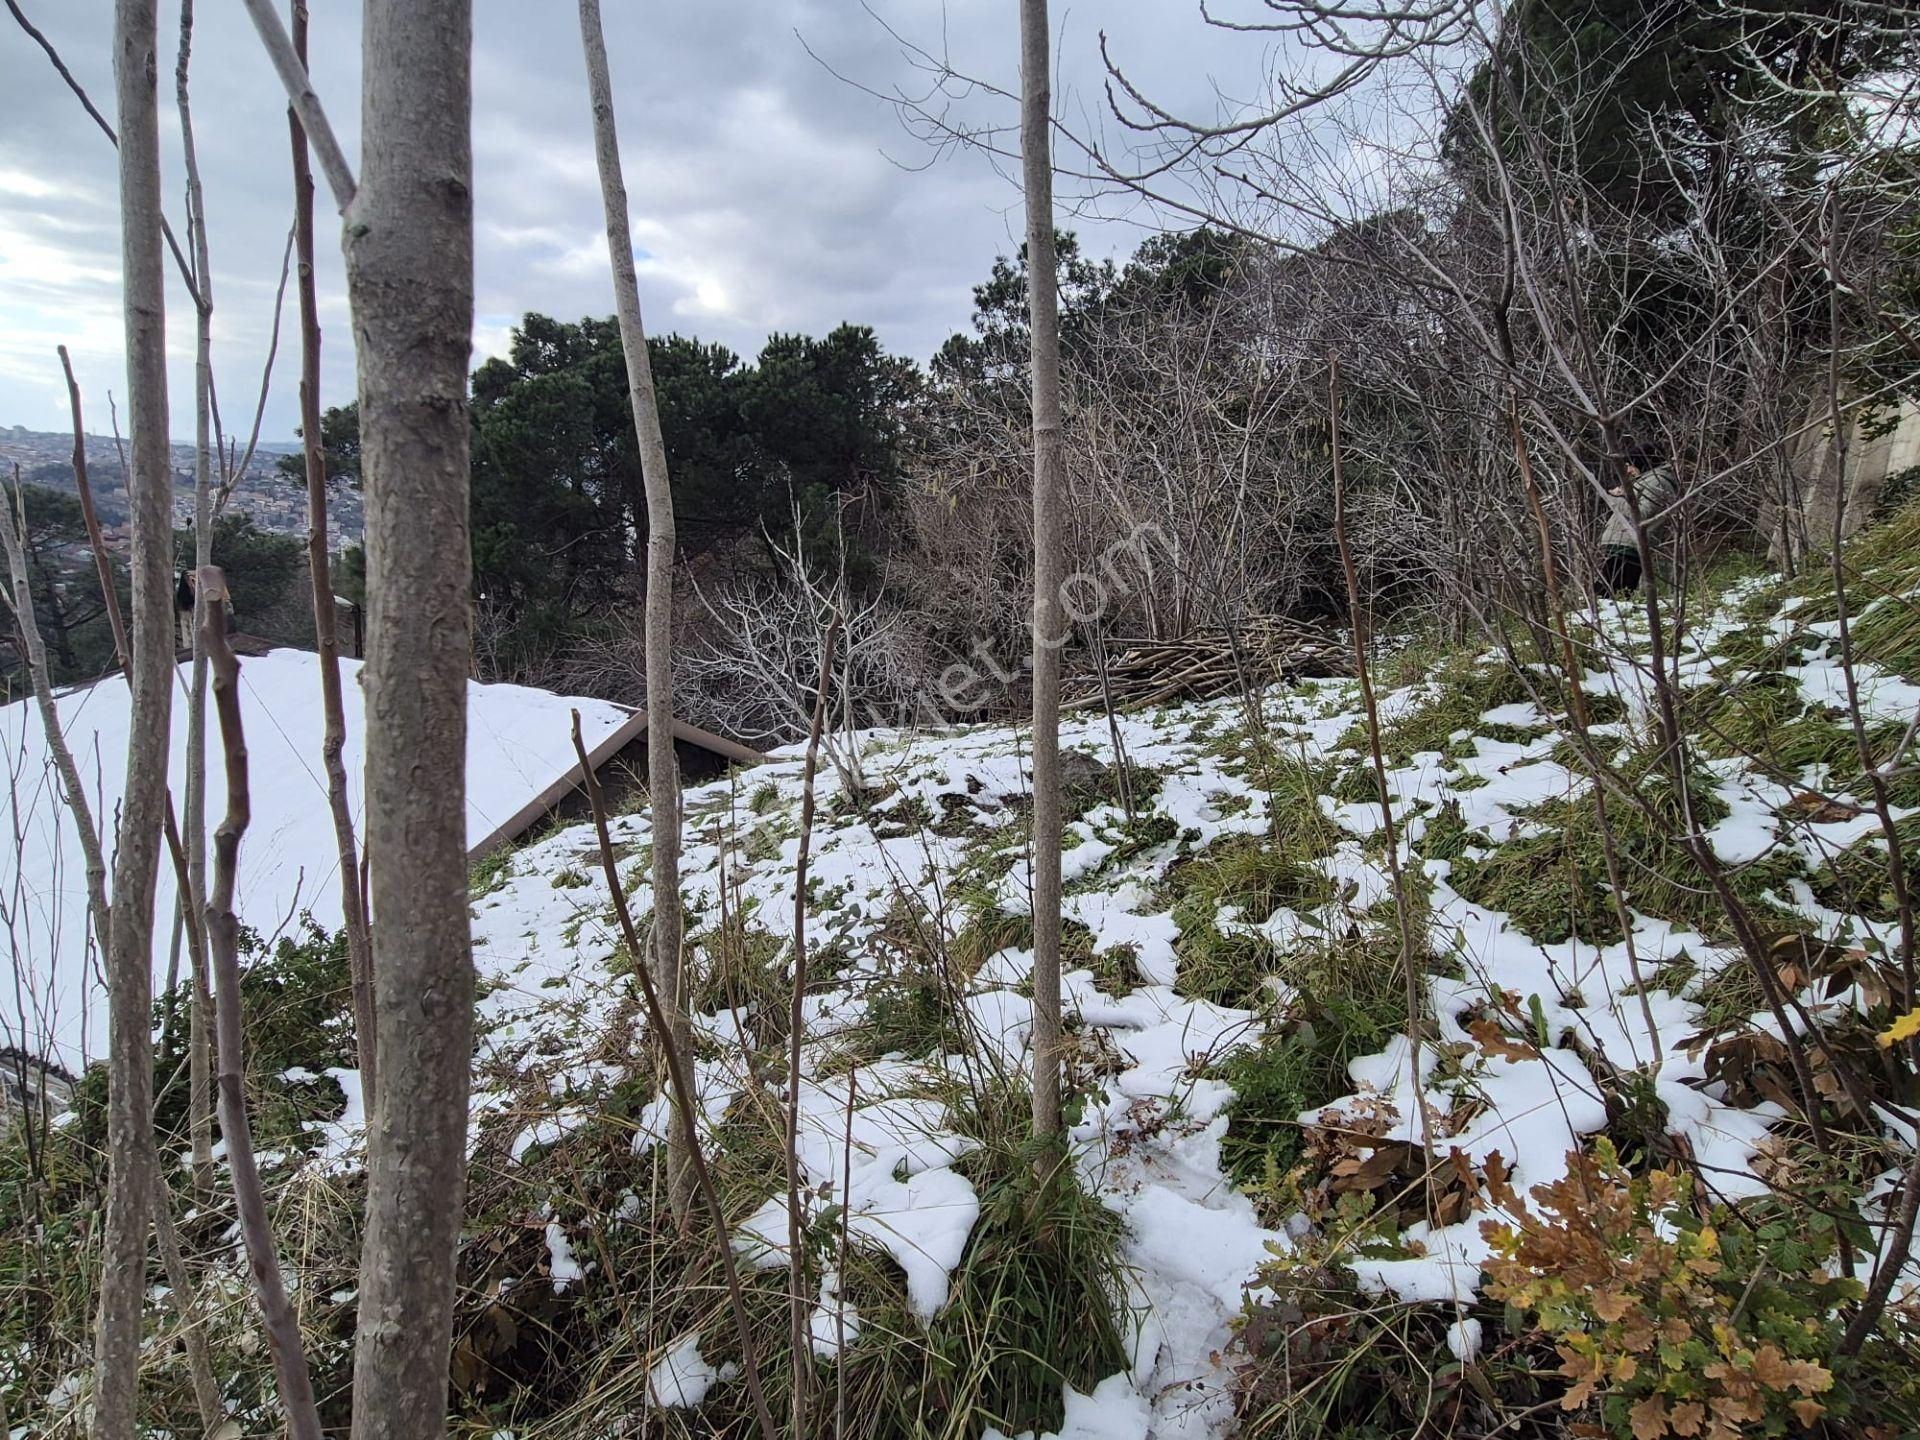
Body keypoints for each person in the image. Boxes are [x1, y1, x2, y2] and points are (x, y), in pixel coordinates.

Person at [1597, 440, 1674, 598]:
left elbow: (1643, 513)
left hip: (1630, 546)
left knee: (1610, 593)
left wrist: (1614, 499)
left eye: (1631, 464)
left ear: (1642, 462)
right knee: (1608, 591)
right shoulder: (1646, 480)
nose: (1629, 470)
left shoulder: (1658, 482)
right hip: (1623, 544)